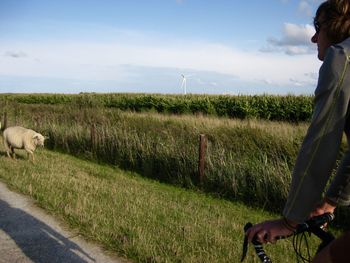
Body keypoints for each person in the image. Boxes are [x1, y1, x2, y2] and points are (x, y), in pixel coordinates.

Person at [246, 0, 350, 262]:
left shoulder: (342, 57)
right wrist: (329, 202)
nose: (315, 38)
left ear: (337, 27)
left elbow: (321, 143)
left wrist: (290, 221)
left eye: (318, 27)